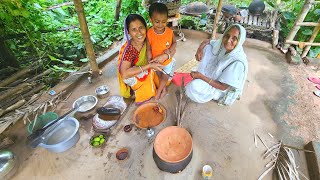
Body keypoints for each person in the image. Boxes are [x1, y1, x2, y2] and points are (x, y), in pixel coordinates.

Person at [186, 24, 248, 105]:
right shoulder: (222, 44)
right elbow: (207, 41)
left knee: (193, 87)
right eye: (227, 36)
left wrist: (200, 76)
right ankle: (201, 76)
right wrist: (199, 50)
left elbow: (223, 87)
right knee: (207, 47)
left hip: (220, 89)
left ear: (240, 41)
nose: (228, 40)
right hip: (214, 76)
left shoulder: (237, 63)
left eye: (234, 38)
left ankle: (215, 94)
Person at [117, 14, 163, 105]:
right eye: (134, 29)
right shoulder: (130, 49)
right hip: (132, 74)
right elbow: (125, 74)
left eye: (141, 27)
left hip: (147, 67)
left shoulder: (148, 39)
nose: (139, 32)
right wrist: (149, 66)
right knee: (149, 74)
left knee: (167, 66)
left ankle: (153, 84)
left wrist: (166, 55)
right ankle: (140, 93)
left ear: (146, 28)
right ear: (128, 32)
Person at [147, 2, 177, 100]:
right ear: (150, 19)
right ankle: (164, 89)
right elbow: (148, 48)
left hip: (167, 61)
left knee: (165, 77)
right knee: (159, 75)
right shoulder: (149, 33)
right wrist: (149, 59)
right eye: (157, 21)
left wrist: (169, 51)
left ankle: (159, 92)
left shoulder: (169, 32)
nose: (160, 25)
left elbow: (175, 43)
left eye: (163, 22)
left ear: (167, 20)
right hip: (156, 62)